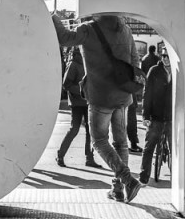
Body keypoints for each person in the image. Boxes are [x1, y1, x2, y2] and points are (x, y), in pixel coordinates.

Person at [52, 13, 145, 204]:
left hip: (101, 96)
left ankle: (127, 180)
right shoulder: (125, 29)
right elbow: (135, 60)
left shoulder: (88, 28)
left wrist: (54, 18)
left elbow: (63, 39)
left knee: (99, 140)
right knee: (121, 142)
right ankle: (118, 189)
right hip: (123, 95)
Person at [56, 47, 99, 169]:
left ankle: (89, 158)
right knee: (74, 129)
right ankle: (60, 154)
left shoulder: (88, 63)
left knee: (90, 131)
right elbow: (66, 84)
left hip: (88, 102)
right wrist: (82, 92)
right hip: (77, 102)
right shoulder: (74, 64)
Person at [139, 50, 173, 184]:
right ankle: (143, 177)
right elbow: (147, 93)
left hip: (171, 116)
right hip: (156, 115)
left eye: (168, 56)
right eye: (163, 56)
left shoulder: (177, 72)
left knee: (175, 149)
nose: (165, 59)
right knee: (149, 147)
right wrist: (145, 115)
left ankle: (175, 176)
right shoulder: (154, 71)